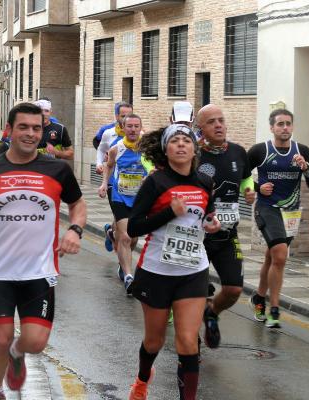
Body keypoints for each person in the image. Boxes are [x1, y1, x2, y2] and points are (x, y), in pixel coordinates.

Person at [0, 102, 86, 399]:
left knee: (36, 342)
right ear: (10, 130)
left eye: (37, 128)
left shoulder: (57, 169)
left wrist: (75, 230)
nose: (30, 134)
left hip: (40, 271)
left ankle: (18, 353)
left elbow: (77, 204)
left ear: (43, 132)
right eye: (23, 127)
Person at [127, 124, 221, 400]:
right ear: (166, 150)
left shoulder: (204, 182)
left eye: (186, 141)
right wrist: (169, 212)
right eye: (175, 141)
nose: (181, 145)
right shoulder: (156, 183)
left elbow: (206, 215)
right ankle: (143, 380)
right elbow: (133, 228)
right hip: (156, 269)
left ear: (194, 149)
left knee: (188, 341)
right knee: (154, 340)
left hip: (193, 270)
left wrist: (211, 223)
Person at [247, 109, 309, 328]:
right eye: (280, 124)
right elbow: (239, 176)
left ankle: (259, 297)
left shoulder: (302, 151)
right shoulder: (261, 150)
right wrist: (259, 187)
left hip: (290, 213)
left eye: (288, 124)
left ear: (292, 127)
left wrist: (305, 168)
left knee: (273, 257)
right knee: (280, 255)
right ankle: (275, 310)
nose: (285, 127)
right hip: (267, 209)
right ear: (272, 128)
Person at [194, 104, 255, 348]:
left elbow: (245, 177)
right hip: (196, 237)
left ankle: (212, 313)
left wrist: (248, 191)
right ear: (201, 129)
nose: (218, 125)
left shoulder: (239, 152)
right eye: (212, 122)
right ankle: (191, 341)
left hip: (228, 234)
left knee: (233, 290)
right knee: (194, 291)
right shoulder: (193, 155)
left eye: (221, 120)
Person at [98, 113, 147, 295]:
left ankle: (122, 262)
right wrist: (104, 183)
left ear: (141, 128)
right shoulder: (116, 148)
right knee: (125, 237)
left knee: (133, 238)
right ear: (123, 128)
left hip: (140, 199)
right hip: (120, 196)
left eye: (136, 126)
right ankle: (128, 276)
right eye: (130, 126)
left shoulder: (147, 149)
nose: (133, 129)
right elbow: (108, 165)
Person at [96, 102, 134, 254]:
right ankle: (122, 261)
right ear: (117, 116)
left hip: (133, 186)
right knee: (121, 222)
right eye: (123, 116)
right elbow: (100, 149)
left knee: (123, 221)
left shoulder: (139, 134)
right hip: (113, 183)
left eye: (129, 115)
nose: (126, 119)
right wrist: (99, 163)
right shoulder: (108, 133)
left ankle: (111, 233)